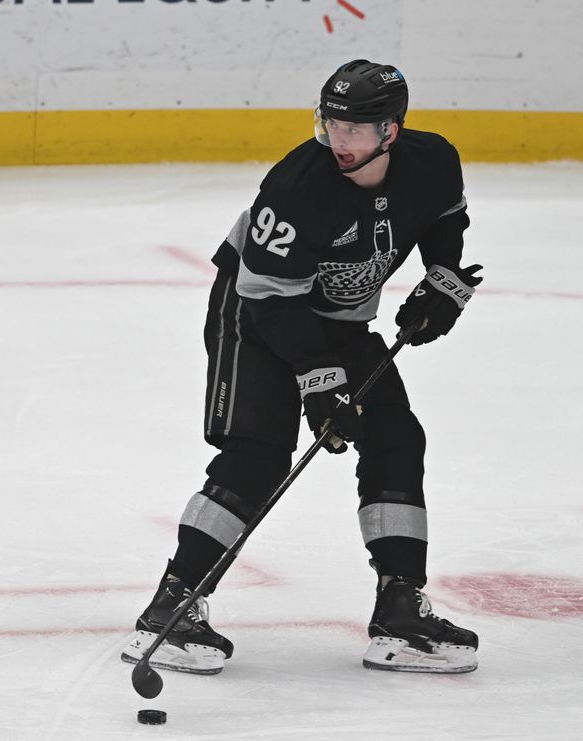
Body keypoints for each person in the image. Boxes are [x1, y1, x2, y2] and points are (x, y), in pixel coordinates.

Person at [121, 59, 482, 675]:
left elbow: (445, 217)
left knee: (395, 436)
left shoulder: (433, 161)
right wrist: (318, 381)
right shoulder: (297, 186)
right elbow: (269, 300)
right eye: (331, 124)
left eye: (355, 130)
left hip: (340, 321)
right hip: (257, 310)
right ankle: (175, 602)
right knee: (259, 452)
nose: (339, 140)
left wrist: (442, 280)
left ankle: (399, 605)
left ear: (391, 131)